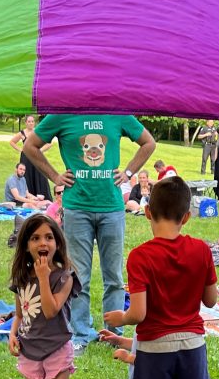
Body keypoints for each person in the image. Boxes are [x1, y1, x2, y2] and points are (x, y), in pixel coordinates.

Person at [23, 114, 156, 349]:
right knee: (78, 276)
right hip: (77, 208)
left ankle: (113, 333)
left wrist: (127, 173)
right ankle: (80, 334)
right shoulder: (62, 115)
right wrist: (55, 176)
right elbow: (30, 145)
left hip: (111, 208)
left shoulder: (117, 113)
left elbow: (149, 142)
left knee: (113, 275)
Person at [104, 176, 218, 379]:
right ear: (187, 217)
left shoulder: (140, 256)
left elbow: (139, 313)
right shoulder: (201, 250)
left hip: (154, 349)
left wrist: (121, 317)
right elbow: (211, 301)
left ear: (147, 212)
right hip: (193, 345)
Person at [7, 215, 79, 379]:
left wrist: (43, 278)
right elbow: (19, 314)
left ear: (57, 243)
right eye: (35, 238)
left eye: (49, 237)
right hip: (30, 351)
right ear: (26, 245)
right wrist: (12, 334)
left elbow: (50, 310)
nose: (43, 243)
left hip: (57, 349)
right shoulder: (21, 278)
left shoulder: (64, 277)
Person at [10, 115, 53, 200]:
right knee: (27, 175)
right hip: (26, 158)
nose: (31, 123)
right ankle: (29, 197)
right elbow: (12, 142)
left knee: (40, 175)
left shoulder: (38, 132)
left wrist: (41, 150)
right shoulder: (22, 133)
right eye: (29, 121)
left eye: (32, 121)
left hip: (37, 157)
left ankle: (42, 197)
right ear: (26, 123)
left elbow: (49, 143)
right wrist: (20, 149)